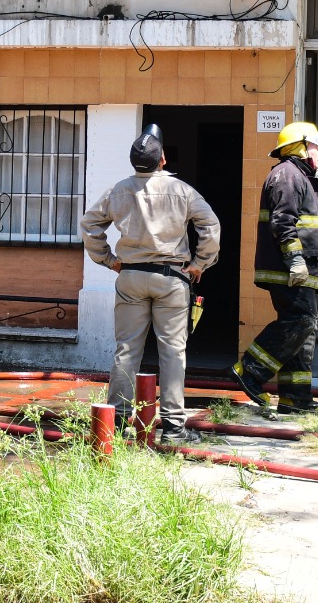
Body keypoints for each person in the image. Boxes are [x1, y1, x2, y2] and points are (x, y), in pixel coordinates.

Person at [80, 124, 221, 444]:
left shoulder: (118, 190)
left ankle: (114, 422)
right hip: (172, 279)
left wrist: (109, 260)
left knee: (127, 350)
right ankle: (173, 428)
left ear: (133, 162)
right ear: (163, 160)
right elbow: (210, 226)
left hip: (130, 277)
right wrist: (200, 264)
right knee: (173, 351)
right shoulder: (183, 191)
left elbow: (90, 225)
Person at [232, 122, 318, 415]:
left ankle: (295, 397)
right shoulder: (287, 175)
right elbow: (283, 222)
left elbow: (314, 220)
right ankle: (249, 369)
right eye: (315, 146)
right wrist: (295, 260)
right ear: (298, 146)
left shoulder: (302, 177)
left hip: (305, 269)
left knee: (304, 332)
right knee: (300, 321)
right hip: (290, 269)